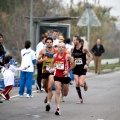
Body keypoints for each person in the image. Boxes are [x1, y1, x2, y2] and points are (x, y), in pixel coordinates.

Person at [50, 42, 76, 115]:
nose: (61, 48)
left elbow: (74, 64)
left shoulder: (67, 56)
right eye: (59, 47)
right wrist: (51, 69)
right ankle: (58, 109)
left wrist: (68, 70)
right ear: (57, 48)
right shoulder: (55, 56)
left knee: (65, 93)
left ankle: (65, 89)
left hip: (65, 76)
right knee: (57, 91)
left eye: (62, 47)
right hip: (57, 75)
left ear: (64, 48)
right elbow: (52, 63)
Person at [37, 37, 56, 112]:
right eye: (47, 42)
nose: (49, 43)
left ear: (52, 43)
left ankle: (48, 104)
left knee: (50, 87)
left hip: (52, 70)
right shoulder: (43, 51)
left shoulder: (55, 51)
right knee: (45, 87)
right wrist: (43, 60)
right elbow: (37, 61)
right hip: (45, 70)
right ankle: (49, 95)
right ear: (45, 43)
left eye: (50, 42)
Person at [72, 36, 93, 104]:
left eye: (75, 40)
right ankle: (80, 98)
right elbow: (72, 58)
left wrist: (86, 64)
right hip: (75, 68)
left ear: (78, 41)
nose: (74, 41)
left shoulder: (84, 49)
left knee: (81, 84)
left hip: (82, 68)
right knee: (77, 83)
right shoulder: (72, 49)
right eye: (73, 40)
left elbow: (91, 56)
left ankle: (84, 83)